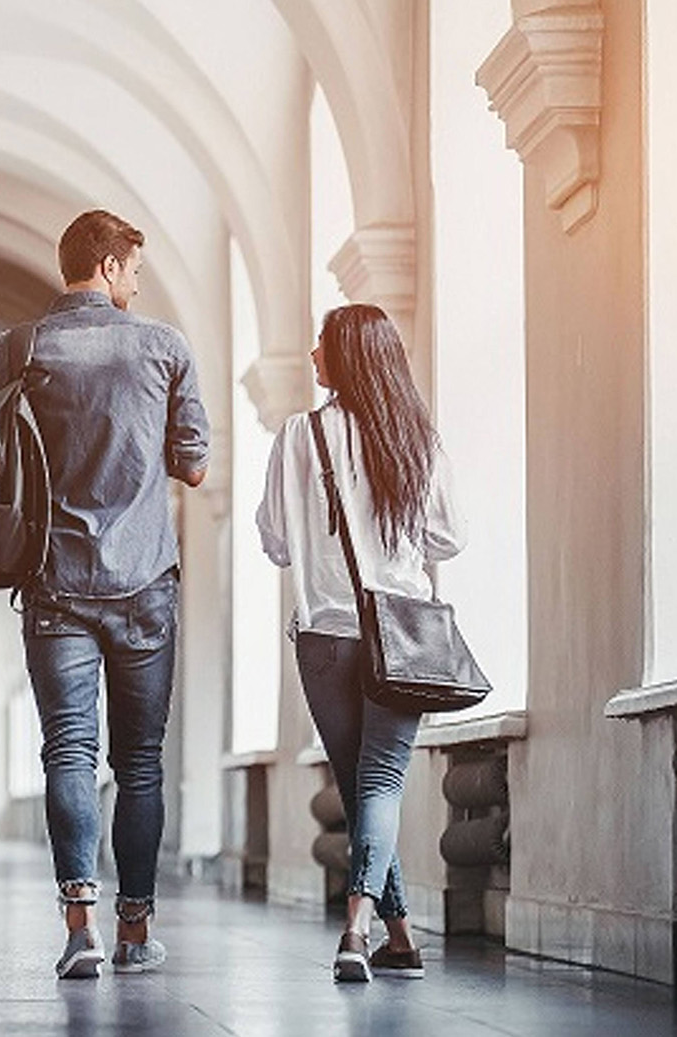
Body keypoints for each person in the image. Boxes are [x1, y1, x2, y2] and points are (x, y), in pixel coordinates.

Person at [0, 210, 210, 978]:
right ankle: (136, 930)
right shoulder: (164, 346)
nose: (138, 284)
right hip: (145, 585)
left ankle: (82, 928)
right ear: (107, 266)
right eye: (133, 269)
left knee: (66, 752)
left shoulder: (12, 352)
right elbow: (195, 464)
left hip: (54, 583)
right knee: (139, 762)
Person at [257, 303, 465, 982]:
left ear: (346, 356)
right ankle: (373, 931)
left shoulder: (298, 435)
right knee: (375, 785)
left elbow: (277, 542)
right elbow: (448, 538)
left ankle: (375, 931)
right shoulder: (416, 439)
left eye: (321, 342)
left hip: (323, 637)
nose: (313, 353)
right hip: (401, 635)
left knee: (359, 786)